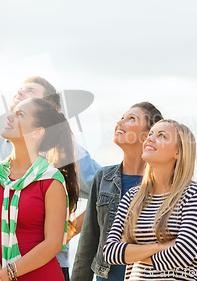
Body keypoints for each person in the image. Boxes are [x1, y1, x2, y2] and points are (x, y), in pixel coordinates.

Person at [0, 76, 100, 280]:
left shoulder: (55, 175)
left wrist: (70, 228)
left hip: (43, 270)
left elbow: (102, 187)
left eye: (30, 91)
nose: (20, 94)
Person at [103, 119, 197, 280]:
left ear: (178, 152)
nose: (149, 139)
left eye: (162, 136)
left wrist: (132, 252)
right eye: (150, 134)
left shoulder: (194, 193)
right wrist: (164, 246)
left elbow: (184, 253)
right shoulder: (132, 196)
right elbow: (110, 252)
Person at [71, 102, 163, 281]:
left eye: (131, 119)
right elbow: (88, 243)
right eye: (122, 117)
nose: (119, 122)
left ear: (147, 135)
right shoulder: (103, 177)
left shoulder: (164, 182)